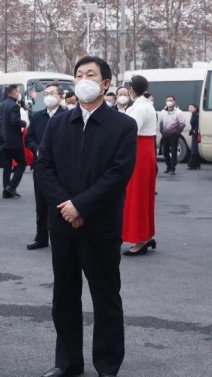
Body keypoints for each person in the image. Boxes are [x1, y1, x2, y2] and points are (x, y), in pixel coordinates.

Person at [36, 56, 138, 377]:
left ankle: (107, 364)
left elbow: (118, 174)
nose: (83, 80)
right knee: (64, 297)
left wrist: (81, 206)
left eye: (90, 75)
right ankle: (68, 362)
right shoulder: (58, 123)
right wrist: (66, 206)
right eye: (78, 75)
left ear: (105, 84)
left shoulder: (122, 125)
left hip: (101, 225)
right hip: (62, 224)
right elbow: (44, 167)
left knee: (105, 297)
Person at [25, 83, 65, 250]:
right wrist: (37, 149)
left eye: (52, 93)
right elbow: (29, 138)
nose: (48, 96)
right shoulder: (37, 116)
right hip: (41, 165)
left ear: (61, 96)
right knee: (41, 203)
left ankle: (60, 236)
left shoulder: (67, 116)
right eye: (46, 93)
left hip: (62, 166)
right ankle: (41, 237)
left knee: (60, 201)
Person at [122, 74, 158, 257]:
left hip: (139, 149)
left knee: (137, 195)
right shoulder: (145, 105)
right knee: (144, 194)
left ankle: (140, 239)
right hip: (145, 149)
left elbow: (131, 129)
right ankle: (146, 234)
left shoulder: (140, 107)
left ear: (132, 89)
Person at [0, 84, 27, 199]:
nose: (19, 94)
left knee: (7, 166)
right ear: (14, 93)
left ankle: (6, 191)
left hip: (4, 141)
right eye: (18, 92)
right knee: (22, 163)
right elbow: (15, 120)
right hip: (14, 141)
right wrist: (25, 123)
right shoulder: (14, 106)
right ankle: (11, 186)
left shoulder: (2, 105)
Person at [159, 95, 186, 175]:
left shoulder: (178, 112)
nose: (169, 102)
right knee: (165, 151)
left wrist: (177, 132)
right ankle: (168, 166)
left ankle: (172, 168)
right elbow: (161, 121)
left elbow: (182, 123)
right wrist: (161, 130)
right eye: (167, 100)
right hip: (165, 134)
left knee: (173, 152)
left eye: (171, 100)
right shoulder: (163, 111)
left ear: (174, 101)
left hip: (174, 135)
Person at [187, 104, 201, 171]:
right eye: (189, 107)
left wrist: (195, 130)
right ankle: (196, 164)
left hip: (196, 133)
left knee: (195, 149)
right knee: (194, 148)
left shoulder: (197, 115)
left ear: (195, 108)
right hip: (194, 133)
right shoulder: (193, 115)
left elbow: (198, 124)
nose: (190, 108)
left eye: (191, 107)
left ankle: (192, 164)